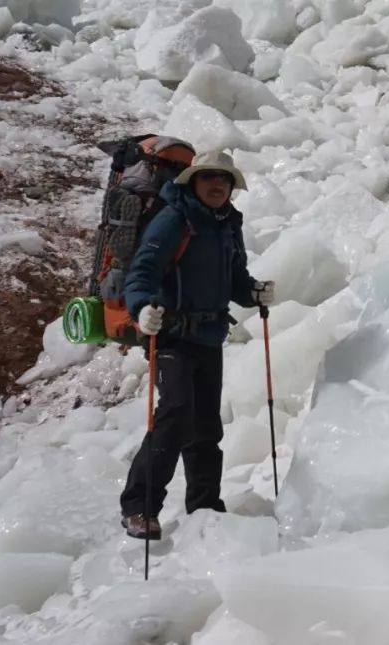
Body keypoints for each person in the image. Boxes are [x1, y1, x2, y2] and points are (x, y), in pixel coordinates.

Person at [118, 150, 275, 540]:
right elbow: (141, 274)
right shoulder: (173, 220)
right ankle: (140, 508)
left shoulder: (227, 223)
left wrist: (253, 292)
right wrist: (141, 311)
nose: (218, 186)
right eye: (209, 179)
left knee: (205, 424)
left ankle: (206, 506)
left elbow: (234, 277)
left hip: (208, 336)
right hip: (170, 334)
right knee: (174, 416)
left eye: (224, 180)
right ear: (193, 182)